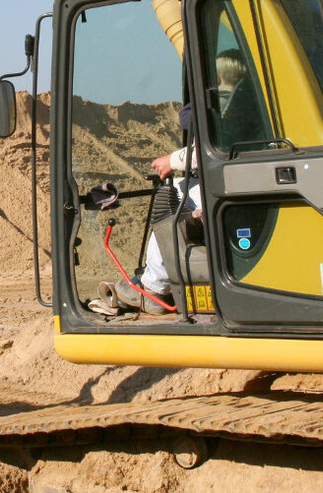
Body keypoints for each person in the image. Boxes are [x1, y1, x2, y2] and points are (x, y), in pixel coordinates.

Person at [94, 50, 248, 316]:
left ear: (218, 76)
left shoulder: (228, 110)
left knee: (171, 197)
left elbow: (211, 152)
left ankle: (153, 287)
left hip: (233, 186)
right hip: (241, 182)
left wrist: (171, 161)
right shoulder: (246, 105)